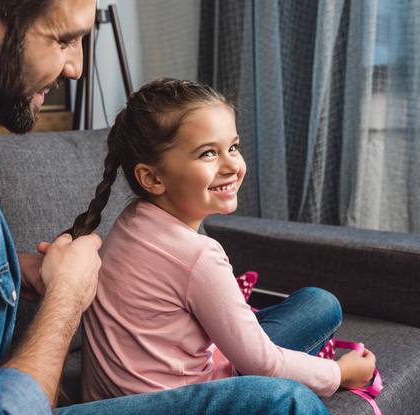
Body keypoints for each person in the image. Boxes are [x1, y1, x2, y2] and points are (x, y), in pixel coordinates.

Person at [0, 0, 330, 413]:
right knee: (284, 400)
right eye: (65, 39)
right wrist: (67, 297)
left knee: (312, 309)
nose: (77, 68)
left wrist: (11, 273)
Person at [67, 78, 377, 403]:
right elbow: (262, 364)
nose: (231, 165)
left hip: (115, 400)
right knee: (320, 306)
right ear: (153, 178)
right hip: (187, 401)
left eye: (233, 147)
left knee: (318, 302)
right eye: (208, 154)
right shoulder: (198, 255)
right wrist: (340, 373)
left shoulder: (130, 220)